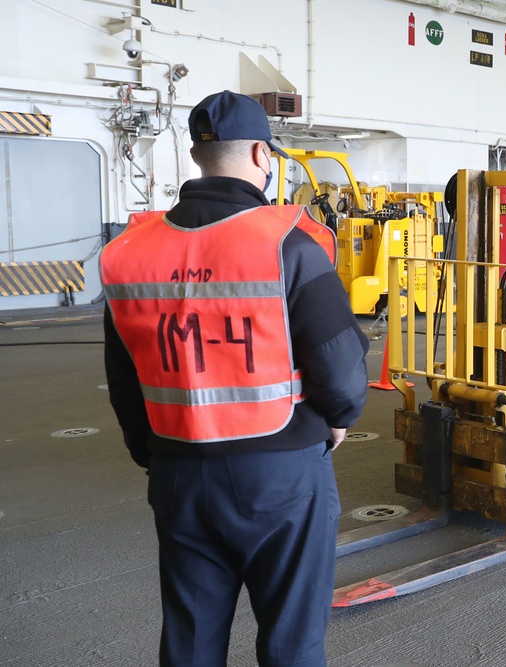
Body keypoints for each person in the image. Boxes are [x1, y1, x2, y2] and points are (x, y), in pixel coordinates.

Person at [101, 90, 369, 666]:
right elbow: (341, 368)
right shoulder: (289, 244)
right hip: (282, 475)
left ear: (198, 156)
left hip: (178, 473)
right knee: (291, 643)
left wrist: (154, 453)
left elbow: (124, 378)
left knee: (191, 642)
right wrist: (338, 418)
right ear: (261, 155)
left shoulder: (128, 255)